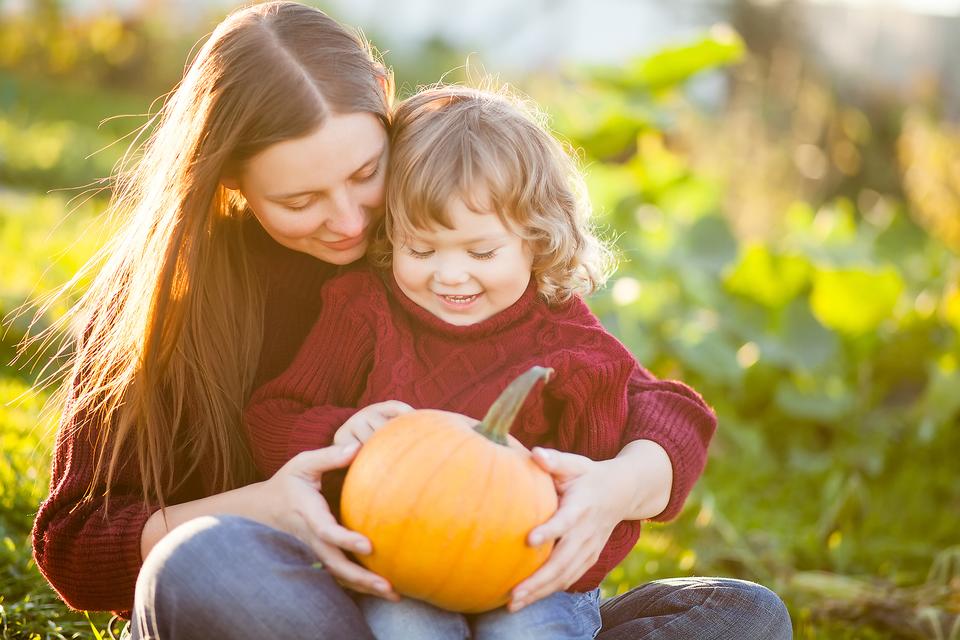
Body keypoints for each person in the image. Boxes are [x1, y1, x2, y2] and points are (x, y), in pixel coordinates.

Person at [29, 2, 792, 639]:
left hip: (495, 594)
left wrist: (619, 486)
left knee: (742, 615)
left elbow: (644, 394)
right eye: (300, 201)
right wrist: (259, 510)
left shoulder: (441, 245)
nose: (348, 220)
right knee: (201, 565)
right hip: (307, 595)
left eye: (366, 174)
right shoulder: (169, 303)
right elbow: (72, 547)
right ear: (228, 182)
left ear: (384, 106)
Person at [241, 84, 709, 640]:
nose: (450, 274)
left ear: (536, 239)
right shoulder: (365, 308)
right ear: (392, 234)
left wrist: (613, 484)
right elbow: (272, 416)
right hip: (395, 569)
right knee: (406, 628)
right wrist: (338, 433)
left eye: (481, 252)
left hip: (533, 581)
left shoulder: (562, 335)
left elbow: (674, 414)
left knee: (537, 632)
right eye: (421, 250)